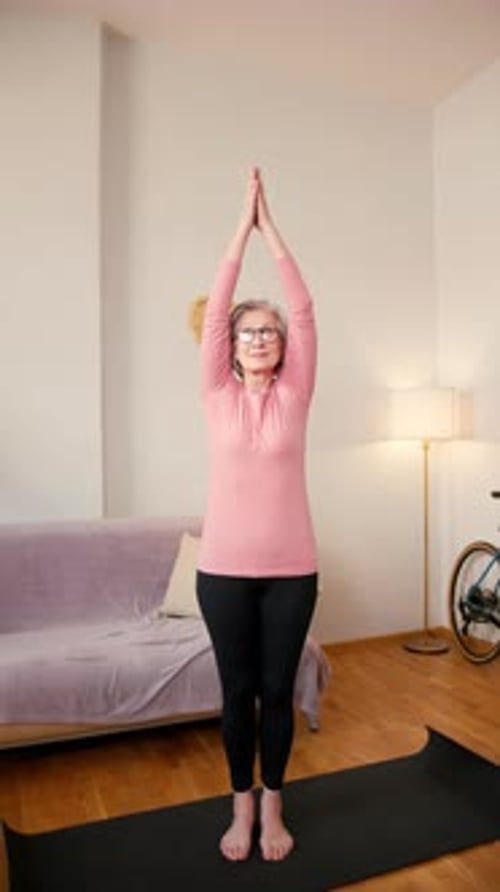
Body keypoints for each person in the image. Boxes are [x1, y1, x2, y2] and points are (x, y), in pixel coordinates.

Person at [196, 167, 318, 863]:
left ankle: (275, 804)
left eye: (271, 331)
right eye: (249, 332)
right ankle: (239, 805)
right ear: (232, 347)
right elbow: (216, 311)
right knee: (236, 690)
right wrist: (241, 229)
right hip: (223, 574)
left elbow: (305, 311)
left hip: (292, 571)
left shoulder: (297, 392)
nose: (263, 337)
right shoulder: (215, 393)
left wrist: (274, 230)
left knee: (278, 690)